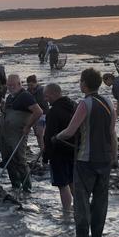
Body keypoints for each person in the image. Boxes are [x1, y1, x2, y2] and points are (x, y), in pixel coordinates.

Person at [55, 68, 117, 237]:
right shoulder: (109, 102)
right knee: (100, 203)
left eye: (81, 81)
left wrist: (56, 137)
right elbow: (112, 133)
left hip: (85, 160)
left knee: (82, 204)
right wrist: (113, 156)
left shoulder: (85, 103)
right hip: (105, 160)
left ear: (84, 83)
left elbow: (71, 131)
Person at [0, 75, 43, 192]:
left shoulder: (25, 96)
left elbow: (38, 111)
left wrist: (28, 126)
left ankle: (27, 188)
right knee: (8, 160)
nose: (10, 87)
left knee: (20, 161)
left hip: (18, 134)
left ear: (20, 84)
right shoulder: (10, 97)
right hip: (6, 134)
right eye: (9, 85)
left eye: (13, 85)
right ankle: (15, 186)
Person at [43, 83, 77, 212]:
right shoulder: (74, 106)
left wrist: (46, 156)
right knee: (72, 181)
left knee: (62, 185)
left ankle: (67, 212)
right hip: (74, 150)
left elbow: (49, 135)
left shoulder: (53, 112)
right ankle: (80, 207)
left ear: (54, 94)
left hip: (59, 153)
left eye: (47, 96)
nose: (46, 99)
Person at [26, 75, 48, 151]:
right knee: (37, 134)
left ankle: (43, 150)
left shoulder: (41, 90)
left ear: (36, 83)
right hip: (34, 115)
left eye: (31, 85)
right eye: (28, 85)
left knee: (40, 134)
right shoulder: (28, 91)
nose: (30, 86)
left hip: (43, 114)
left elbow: (41, 103)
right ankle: (42, 149)